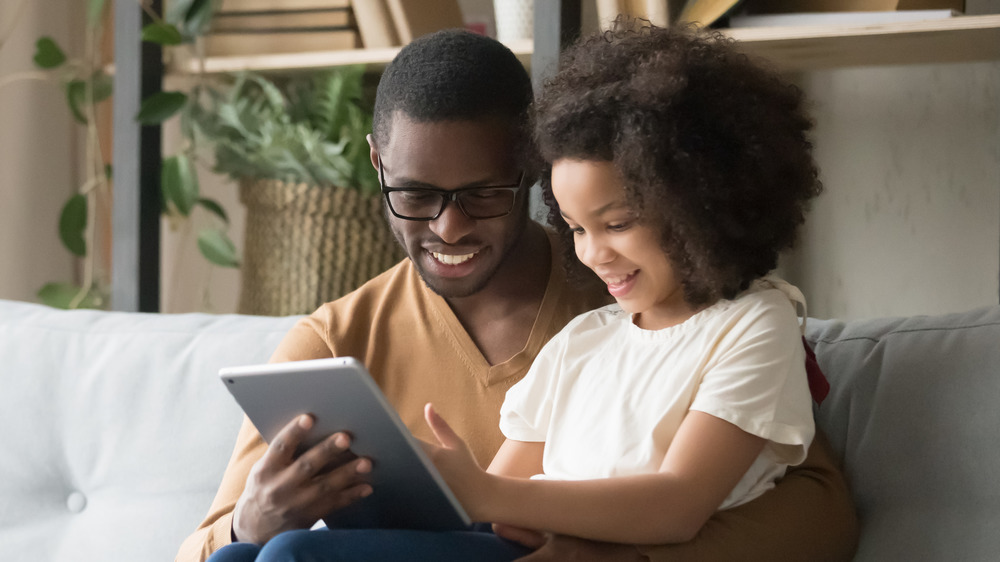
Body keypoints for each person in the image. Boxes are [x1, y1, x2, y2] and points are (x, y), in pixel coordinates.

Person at [177, 27, 858, 562]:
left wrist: (632, 557)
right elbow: (199, 552)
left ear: (530, 167)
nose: (449, 227)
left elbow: (817, 513)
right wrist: (247, 523)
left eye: (483, 194)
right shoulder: (331, 345)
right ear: (379, 165)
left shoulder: (633, 295)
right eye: (415, 195)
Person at [418, 19, 825, 551]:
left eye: (618, 223)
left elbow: (677, 505)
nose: (592, 253)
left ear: (700, 204)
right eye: (577, 228)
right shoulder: (582, 341)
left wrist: (492, 496)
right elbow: (502, 521)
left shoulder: (753, 324)